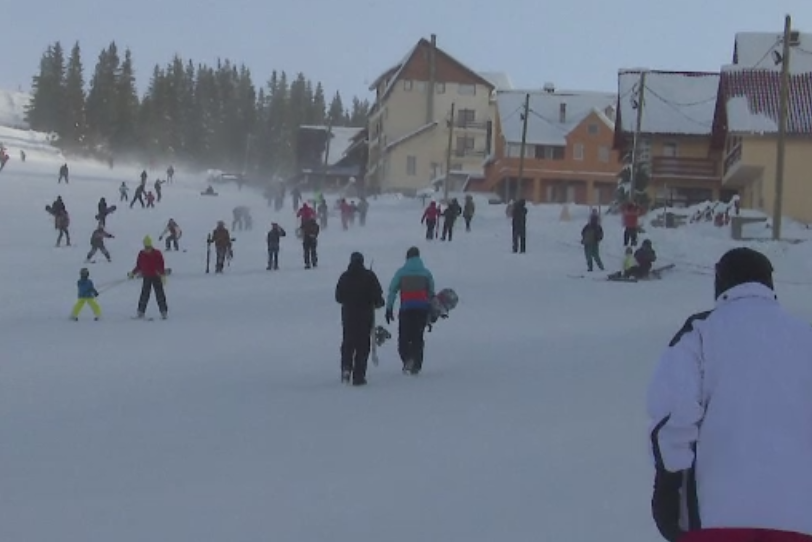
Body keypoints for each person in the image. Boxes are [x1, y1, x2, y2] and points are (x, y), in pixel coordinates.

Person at [647, 247, 812, 542]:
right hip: (801, 521)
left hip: (716, 518)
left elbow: (674, 411)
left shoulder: (701, 332)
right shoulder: (805, 337)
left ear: (721, 283)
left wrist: (668, 486)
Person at [335, 252, 385, 385]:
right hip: (365, 317)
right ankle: (358, 375)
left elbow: (338, 297)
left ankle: (346, 368)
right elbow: (378, 298)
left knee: (348, 343)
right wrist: (377, 302)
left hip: (348, 316)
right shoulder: (369, 276)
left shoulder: (344, 277)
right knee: (363, 346)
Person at [385, 246, 435, 375]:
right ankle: (416, 364)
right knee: (418, 337)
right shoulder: (426, 273)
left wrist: (389, 308)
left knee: (404, 337)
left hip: (406, 309)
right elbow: (431, 294)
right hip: (422, 310)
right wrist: (432, 311)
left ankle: (407, 359)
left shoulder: (401, 273)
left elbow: (392, 291)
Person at [128, 235, 168, 319]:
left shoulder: (157, 253)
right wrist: (133, 273)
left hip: (156, 276)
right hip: (147, 277)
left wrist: (162, 274)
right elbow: (139, 266)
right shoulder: (141, 254)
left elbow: (161, 265)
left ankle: (163, 311)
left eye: (148, 247)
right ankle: (140, 312)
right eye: (146, 247)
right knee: (144, 294)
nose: (147, 249)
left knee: (160, 294)